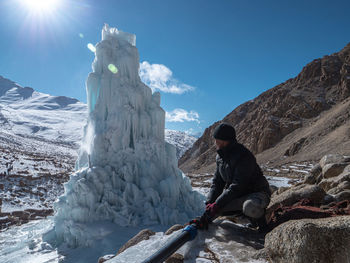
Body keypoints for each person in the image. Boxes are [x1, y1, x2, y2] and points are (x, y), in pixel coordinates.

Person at [200, 122, 271, 231]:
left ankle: (263, 225)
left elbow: (238, 185)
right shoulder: (220, 157)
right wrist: (210, 203)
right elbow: (217, 182)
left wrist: (217, 204)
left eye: (217, 139)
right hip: (238, 195)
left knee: (249, 207)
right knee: (217, 210)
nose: (215, 142)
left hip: (257, 193)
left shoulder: (244, 156)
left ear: (225, 140)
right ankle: (246, 215)